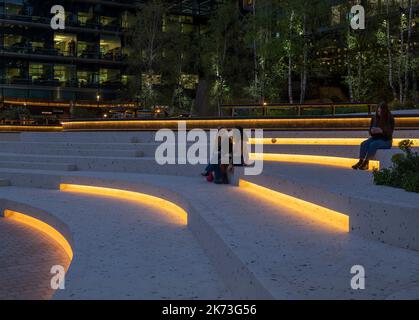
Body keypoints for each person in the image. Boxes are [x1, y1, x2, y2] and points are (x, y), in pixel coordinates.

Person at [352, 101, 395, 170]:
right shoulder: (375, 118)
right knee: (364, 144)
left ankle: (366, 163)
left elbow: (389, 133)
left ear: (385, 111)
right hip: (375, 138)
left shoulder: (390, 119)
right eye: (378, 111)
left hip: (386, 140)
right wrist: (372, 131)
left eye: (380, 112)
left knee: (373, 144)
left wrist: (382, 131)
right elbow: (370, 130)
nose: (379, 113)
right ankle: (360, 161)